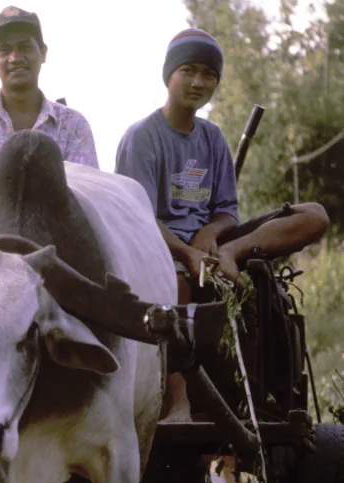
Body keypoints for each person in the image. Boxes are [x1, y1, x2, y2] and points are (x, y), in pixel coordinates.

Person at [115, 28, 329, 422]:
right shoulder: (142, 138)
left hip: (215, 246)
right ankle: (179, 402)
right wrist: (189, 254)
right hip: (159, 250)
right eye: (188, 71)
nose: (199, 82)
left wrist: (216, 241)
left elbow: (228, 211)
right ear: (169, 75)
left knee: (314, 215)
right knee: (175, 282)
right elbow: (138, 217)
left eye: (209, 74)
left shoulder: (212, 137)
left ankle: (264, 396)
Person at [0, 6, 100, 224]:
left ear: (43, 53)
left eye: (24, 47)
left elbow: (83, 200)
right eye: (5, 50)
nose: (15, 58)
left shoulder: (74, 125)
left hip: (59, 241)